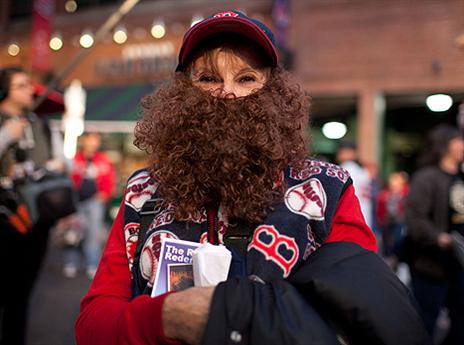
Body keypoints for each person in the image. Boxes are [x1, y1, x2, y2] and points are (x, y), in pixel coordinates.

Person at [76, 11, 429, 345]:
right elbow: (93, 325)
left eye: (246, 78)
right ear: (182, 93)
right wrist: (167, 317)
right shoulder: (144, 192)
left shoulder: (327, 190)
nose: (228, 92)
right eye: (208, 78)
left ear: (274, 93)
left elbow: (364, 314)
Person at [0, 67, 56, 345]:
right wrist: (6, 136)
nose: (29, 90)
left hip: (37, 219)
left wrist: (57, 166)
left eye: (29, 85)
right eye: (21, 85)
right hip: (4, 218)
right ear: (5, 91)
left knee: (21, 294)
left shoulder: (40, 124)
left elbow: (59, 162)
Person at [405, 124, 464, 344]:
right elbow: (414, 218)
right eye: (458, 141)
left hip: (459, 266)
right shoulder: (426, 178)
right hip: (430, 265)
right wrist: (440, 238)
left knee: (460, 324)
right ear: (444, 145)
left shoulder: (461, 176)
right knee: (424, 323)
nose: (462, 146)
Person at [63, 131, 116, 278]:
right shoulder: (76, 159)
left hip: (94, 202)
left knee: (93, 234)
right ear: (84, 140)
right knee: (74, 233)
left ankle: (92, 264)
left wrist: (105, 194)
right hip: (76, 202)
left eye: (96, 140)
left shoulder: (102, 160)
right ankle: (71, 263)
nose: (93, 143)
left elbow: (110, 179)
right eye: (90, 139)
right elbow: (68, 180)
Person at [336, 140, 374, 230]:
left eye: (342, 151)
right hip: (365, 216)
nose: (340, 154)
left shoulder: (346, 167)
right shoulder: (362, 170)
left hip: (352, 217)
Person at [377, 171, 409, 268]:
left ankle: (397, 260)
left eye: (395, 179)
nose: (393, 182)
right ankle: (389, 259)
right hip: (387, 221)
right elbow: (380, 207)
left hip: (400, 221)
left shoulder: (406, 192)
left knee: (398, 240)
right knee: (387, 241)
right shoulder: (385, 193)